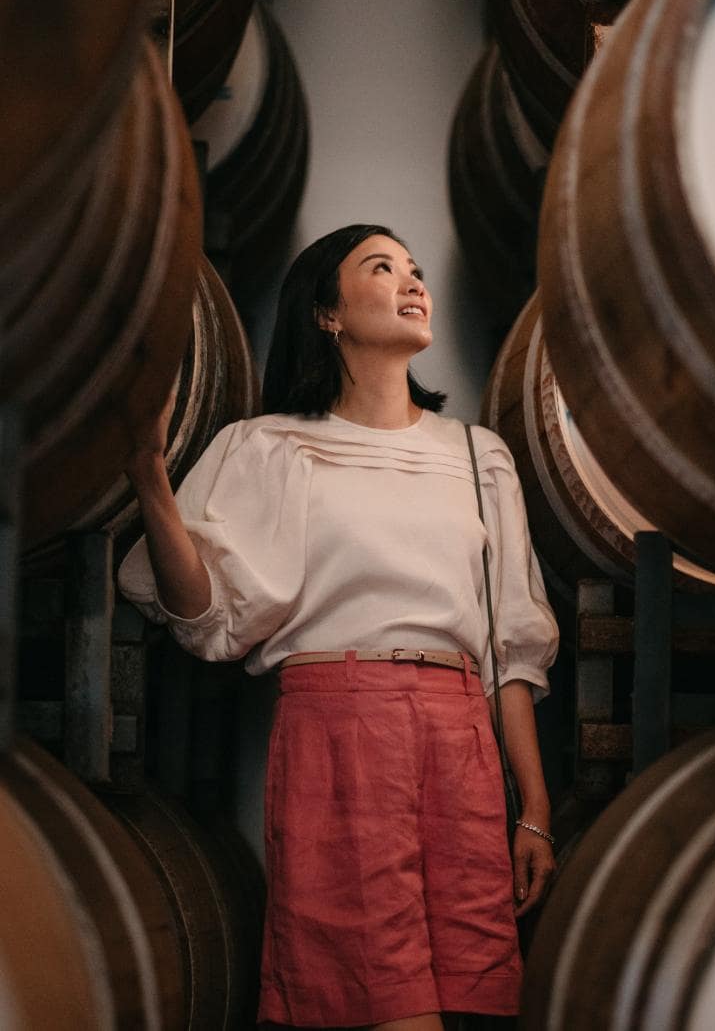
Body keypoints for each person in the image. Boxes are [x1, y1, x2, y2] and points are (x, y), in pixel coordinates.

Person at [119, 223, 559, 1029]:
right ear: (327, 313)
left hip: (463, 736)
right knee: (378, 1004)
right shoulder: (270, 446)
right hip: (342, 727)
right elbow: (202, 615)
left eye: (417, 269)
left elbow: (510, 652)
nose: (412, 280)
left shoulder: (477, 455)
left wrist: (532, 805)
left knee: (476, 1005)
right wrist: (149, 475)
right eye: (382, 267)